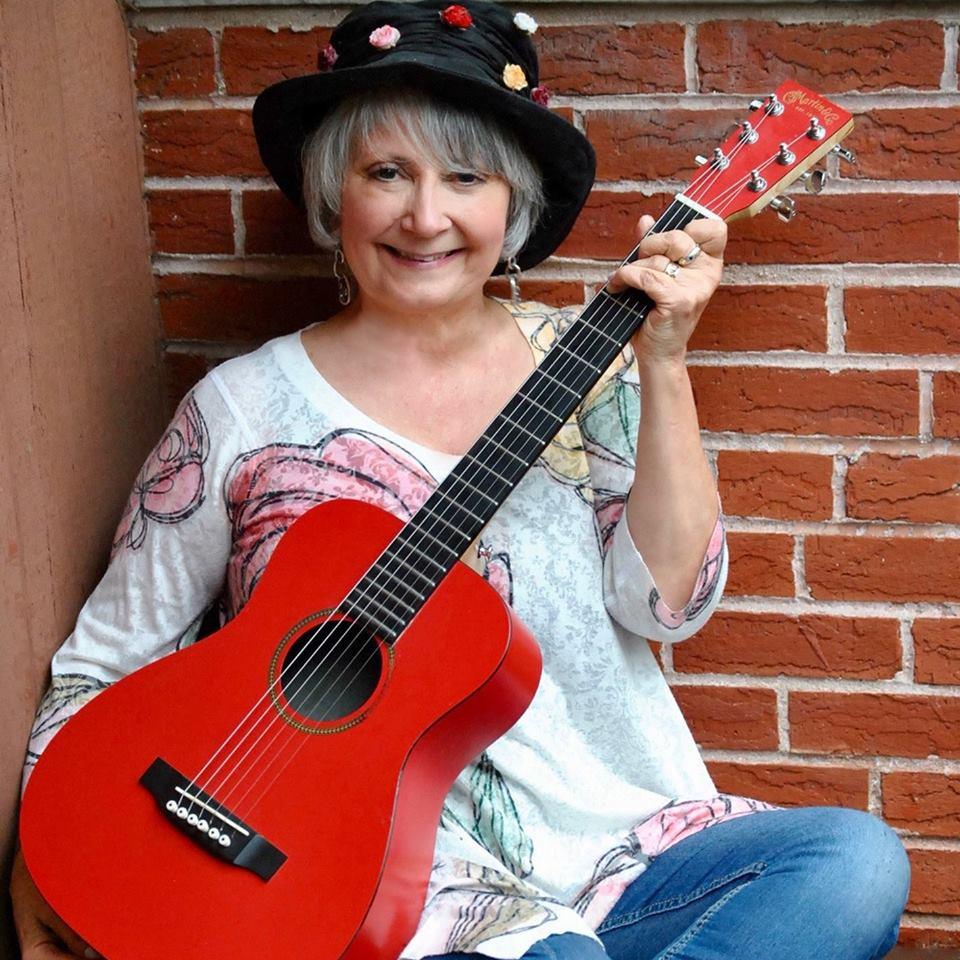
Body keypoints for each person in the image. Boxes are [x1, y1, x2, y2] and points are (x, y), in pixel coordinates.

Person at [12, 2, 910, 959]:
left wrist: (667, 361)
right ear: (334, 195)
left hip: (616, 848)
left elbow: (667, 606)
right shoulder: (240, 410)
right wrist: (59, 881)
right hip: (371, 876)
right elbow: (103, 665)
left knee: (855, 864)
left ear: (511, 205)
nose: (425, 216)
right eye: (387, 172)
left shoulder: (592, 363)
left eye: (466, 178)